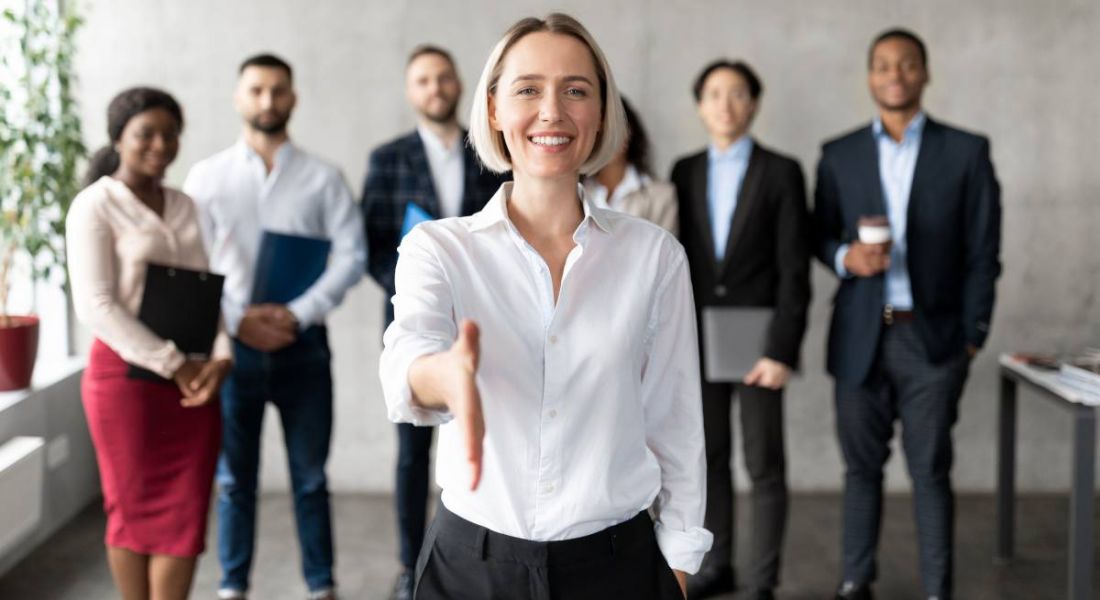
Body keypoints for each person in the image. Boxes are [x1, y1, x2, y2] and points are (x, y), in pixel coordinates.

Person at [379, 13, 712, 599]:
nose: (553, 111)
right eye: (528, 89)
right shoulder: (439, 247)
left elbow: (676, 421)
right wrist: (447, 376)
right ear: (493, 110)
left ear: (604, 112)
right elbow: (408, 354)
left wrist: (679, 561)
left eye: (576, 90)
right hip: (469, 567)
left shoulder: (655, 257)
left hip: (618, 565)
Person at [813, 29, 1001, 600]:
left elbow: (983, 252)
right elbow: (818, 234)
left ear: (924, 72)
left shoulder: (967, 151)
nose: (895, 74)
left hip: (934, 339)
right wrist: (847, 256)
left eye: (907, 64)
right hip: (860, 336)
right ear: (870, 77)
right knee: (861, 470)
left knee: (930, 471)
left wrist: (972, 337)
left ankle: (937, 588)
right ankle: (855, 581)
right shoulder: (838, 154)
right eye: (883, 65)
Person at [183, 54, 366, 600]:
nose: (267, 101)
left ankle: (320, 587)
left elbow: (351, 255)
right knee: (234, 482)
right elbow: (196, 261)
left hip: (303, 345)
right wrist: (240, 319)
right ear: (240, 98)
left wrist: (297, 313)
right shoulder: (206, 177)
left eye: (278, 91)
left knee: (310, 480)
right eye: (257, 90)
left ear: (293, 98)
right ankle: (232, 587)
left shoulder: (322, 177)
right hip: (231, 350)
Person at [67, 87, 232, 600]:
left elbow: (208, 289)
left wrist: (222, 357)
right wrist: (173, 363)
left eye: (170, 134)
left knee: (185, 516)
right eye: (146, 133)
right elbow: (97, 305)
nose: (160, 144)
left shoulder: (185, 204)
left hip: (193, 386)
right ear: (119, 138)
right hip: (127, 384)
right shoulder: (94, 205)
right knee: (132, 512)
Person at [361, 43, 508, 600]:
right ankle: (410, 565)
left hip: (484, 317)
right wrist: (416, 288)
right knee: (411, 451)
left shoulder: (489, 151)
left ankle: (480, 560)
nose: (436, 88)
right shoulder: (388, 157)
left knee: (483, 435)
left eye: (444, 78)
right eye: (423, 80)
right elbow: (373, 243)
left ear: (459, 83)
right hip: (416, 320)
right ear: (411, 90)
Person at [670, 59, 811, 600]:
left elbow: (793, 269)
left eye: (736, 94)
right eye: (712, 94)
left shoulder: (782, 172)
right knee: (709, 460)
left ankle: (762, 580)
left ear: (753, 103)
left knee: (764, 464)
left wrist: (782, 348)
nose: (724, 104)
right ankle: (717, 566)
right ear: (700, 106)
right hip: (696, 339)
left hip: (760, 342)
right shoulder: (684, 172)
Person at [583, 96, 678, 233]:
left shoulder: (661, 196)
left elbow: (666, 251)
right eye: (601, 132)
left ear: (630, 132)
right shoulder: (573, 190)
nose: (608, 140)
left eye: (615, 129)